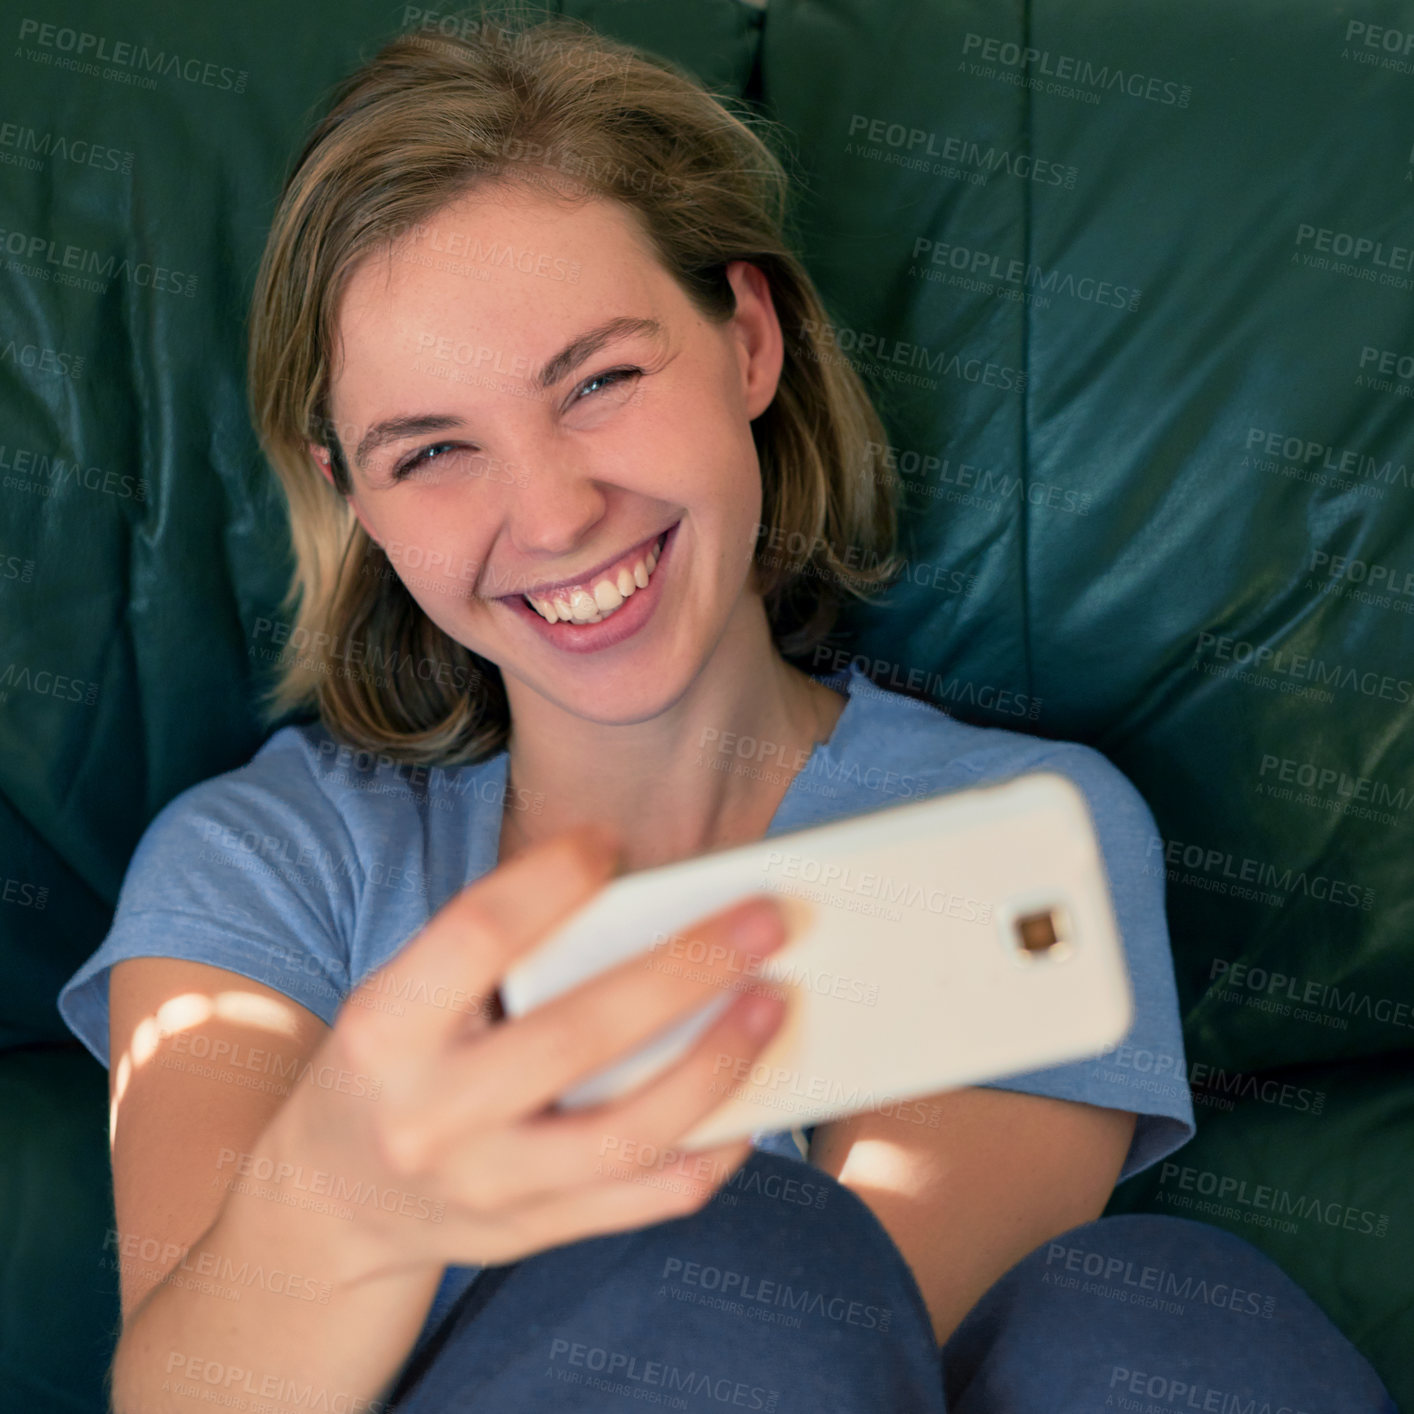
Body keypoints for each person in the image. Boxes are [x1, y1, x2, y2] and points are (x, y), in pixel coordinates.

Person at [57, 9, 1396, 1412]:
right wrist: (345, 1201)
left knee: (1171, 1326)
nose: (557, 514)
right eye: (433, 450)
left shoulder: (1009, 841)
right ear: (357, 501)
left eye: (599, 381)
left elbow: (856, 1345)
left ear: (747, 340)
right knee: (739, 1255)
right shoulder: (269, 865)